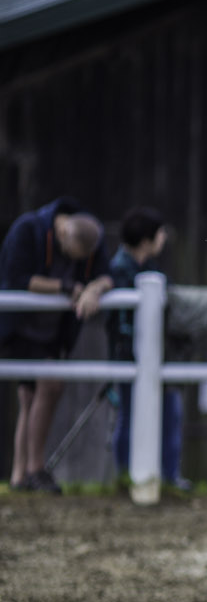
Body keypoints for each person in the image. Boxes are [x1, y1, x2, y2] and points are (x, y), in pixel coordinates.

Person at [0, 198, 112, 493]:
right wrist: (65, 287)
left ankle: (20, 475)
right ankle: (35, 469)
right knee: (50, 385)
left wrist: (94, 288)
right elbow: (15, 279)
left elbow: (105, 274)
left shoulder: (92, 235)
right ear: (62, 234)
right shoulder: (27, 229)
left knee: (30, 397)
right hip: (21, 328)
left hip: (54, 333)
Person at [107, 206, 187, 490]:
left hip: (158, 355)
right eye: (160, 233)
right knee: (129, 417)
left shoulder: (151, 267)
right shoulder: (118, 269)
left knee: (170, 414)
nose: (163, 238)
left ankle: (168, 476)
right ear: (146, 239)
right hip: (128, 356)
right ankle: (126, 474)